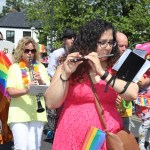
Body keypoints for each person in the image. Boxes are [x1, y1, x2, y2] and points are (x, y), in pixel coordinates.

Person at [44, 19, 139, 150]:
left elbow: (132, 93)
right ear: (89, 42)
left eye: (111, 42)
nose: (108, 47)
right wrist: (66, 74)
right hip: (72, 135)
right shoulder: (70, 66)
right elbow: (51, 103)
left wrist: (103, 73)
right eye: (102, 42)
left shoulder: (116, 67)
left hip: (107, 137)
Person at [6, 37, 50, 150]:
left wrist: (40, 81)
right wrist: (26, 89)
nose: (30, 53)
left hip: (37, 113)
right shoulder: (14, 68)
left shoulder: (40, 67)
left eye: (33, 51)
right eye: (27, 50)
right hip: (19, 114)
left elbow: (48, 89)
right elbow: (10, 91)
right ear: (21, 51)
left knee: (34, 147)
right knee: (21, 147)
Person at [45, 29, 76, 140]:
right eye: (69, 37)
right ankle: (53, 131)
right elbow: (50, 70)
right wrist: (60, 77)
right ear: (64, 40)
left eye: (73, 37)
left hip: (73, 87)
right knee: (55, 111)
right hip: (60, 84)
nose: (72, 39)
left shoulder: (78, 53)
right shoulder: (57, 53)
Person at [116, 31, 133, 131]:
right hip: (108, 112)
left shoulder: (130, 62)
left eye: (126, 46)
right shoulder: (106, 62)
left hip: (125, 112)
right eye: (121, 46)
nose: (124, 49)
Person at [134, 42, 150, 150]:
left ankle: (147, 141)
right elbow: (141, 83)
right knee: (146, 123)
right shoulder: (140, 70)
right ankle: (141, 143)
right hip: (144, 101)